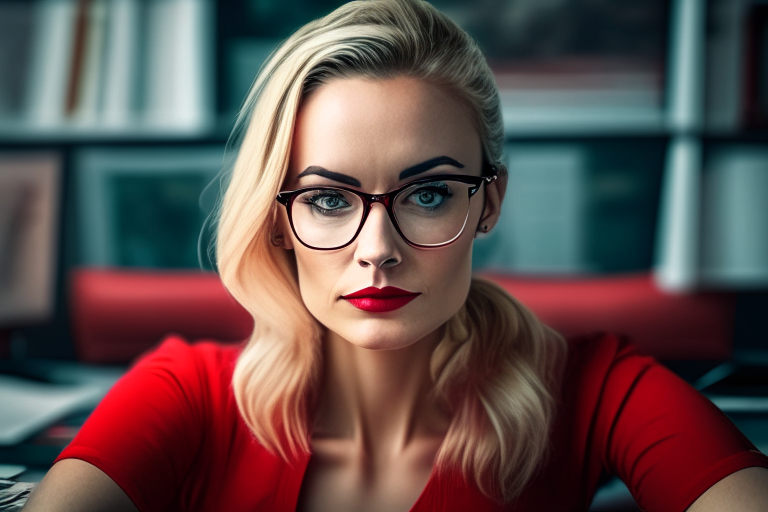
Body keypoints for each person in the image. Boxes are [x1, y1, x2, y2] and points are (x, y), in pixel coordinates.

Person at [24, 0, 768, 511]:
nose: (377, 251)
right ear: (276, 218)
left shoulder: (600, 389)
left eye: (430, 195)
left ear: (490, 202)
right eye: (327, 199)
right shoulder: (184, 394)